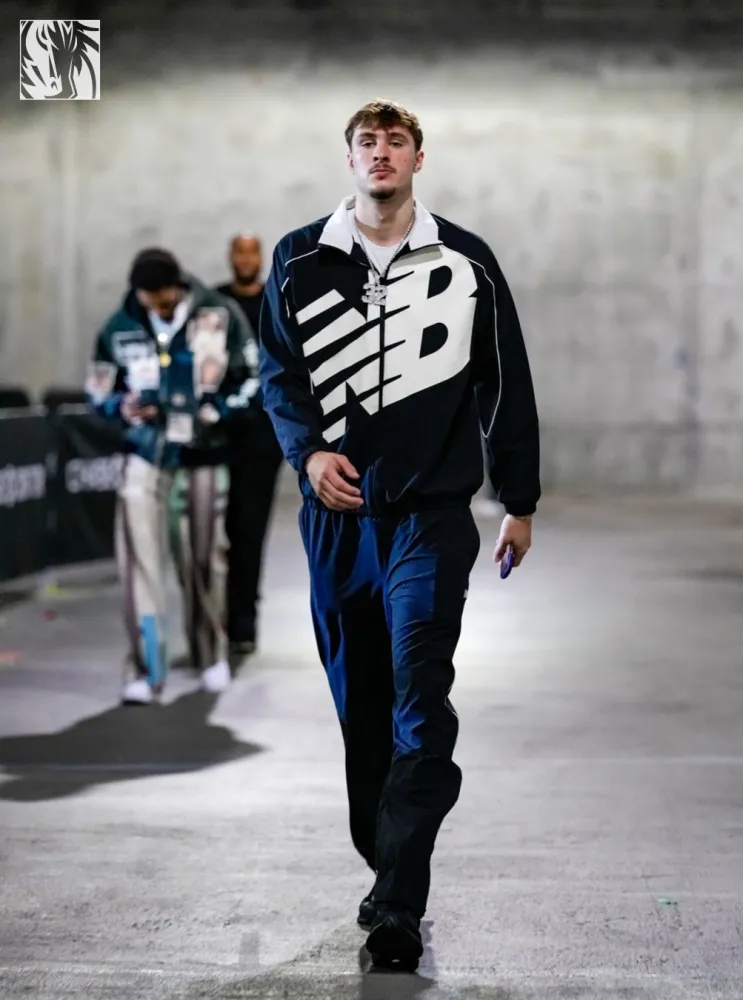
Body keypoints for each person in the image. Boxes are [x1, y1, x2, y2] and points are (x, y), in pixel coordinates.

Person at [259, 100, 540, 971]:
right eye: (366, 142)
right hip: (338, 525)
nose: (380, 153)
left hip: (431, 517)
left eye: (395, 142)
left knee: (420, 694)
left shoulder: (465, 261)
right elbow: (279, 376)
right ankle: (386, 859)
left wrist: (519, 499)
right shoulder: (299, 259)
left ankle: (398, 907)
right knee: (365, 711)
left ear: (420, 157)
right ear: (349, 158)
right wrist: (308, 455)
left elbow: (505, 381)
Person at [86, 248, 259, 705]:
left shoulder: (219, 315)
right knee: (139, 564)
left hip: (204, 454)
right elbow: (97, 388)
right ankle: (146, 670)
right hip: (144, 455)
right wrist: (120, 407)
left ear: (177, 286)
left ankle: (211, 653)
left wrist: (219, 410)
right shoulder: (120, 326)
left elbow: (254, 377)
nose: (157, 305)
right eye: (149, 298)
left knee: (205, 561)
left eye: (163, 296)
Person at [215, 234, 284, 654]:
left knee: (249, 530)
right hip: (216, 436)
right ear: (231, 257)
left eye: (251, 252)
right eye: (238, 251)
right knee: (212, 534)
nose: (244, 259)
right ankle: (212, 618)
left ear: (259, 258)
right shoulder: (214, 303)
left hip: (262, 436)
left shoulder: (276, 302)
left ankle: (243, 622)